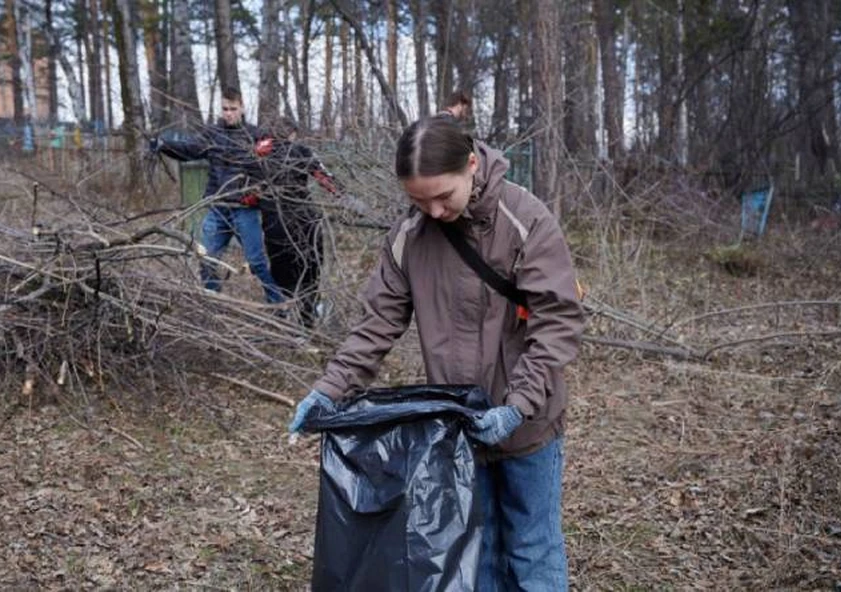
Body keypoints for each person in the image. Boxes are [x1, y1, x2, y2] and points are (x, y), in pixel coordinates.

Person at [289, 116, 585, 590]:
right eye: (417, 200)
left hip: (529, 423)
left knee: (532, 548)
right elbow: (376, 323)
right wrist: (329, 390)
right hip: (460, 429)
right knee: (476, 548)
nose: (433, 212)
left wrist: (517, 406)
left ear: (472, 165)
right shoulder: (410, 236)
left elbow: (558, 323)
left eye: (443, 197)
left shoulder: (525, 220)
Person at [151, 88, 283, 305]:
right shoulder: (213, 134)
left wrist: (257, 192)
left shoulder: (255, 136)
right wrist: (164, 145)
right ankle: (214, 305)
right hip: (218, 207)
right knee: (206, 259)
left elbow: (272, 167)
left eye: (233, 109)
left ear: (242, 108)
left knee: (257, 263)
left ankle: (278, 305)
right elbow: (189, 150)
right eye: (225, 109)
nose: (228, 113)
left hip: (245, 209)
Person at [258, 117, 344, 327]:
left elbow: (248, 195)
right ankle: (307, 318)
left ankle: (282, 319)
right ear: (293, 134)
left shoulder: (259, 155)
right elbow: (327, 180)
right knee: (310, 272)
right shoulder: (303, 152)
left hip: (274, 224)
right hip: (304, 221)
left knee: (281, 273)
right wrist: (344, 196)